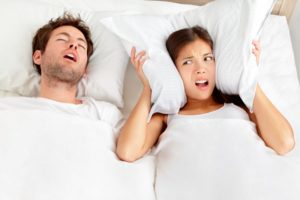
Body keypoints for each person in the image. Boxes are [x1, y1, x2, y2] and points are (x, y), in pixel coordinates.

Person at [116, 25, 295, 162]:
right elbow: (128, 151)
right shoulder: (167, 116)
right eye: (188, 62)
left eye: (208, 59)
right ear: (174, 70)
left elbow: (284, 143)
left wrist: (249, 77)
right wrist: (148, 88)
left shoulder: (240, 107)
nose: (201, 69)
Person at [0, 13, 120, 122]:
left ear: (84, 70)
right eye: (62, 39)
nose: (74, 45)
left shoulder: (106, 115)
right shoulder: (6, 109)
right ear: (38, 57)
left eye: (81, 46)